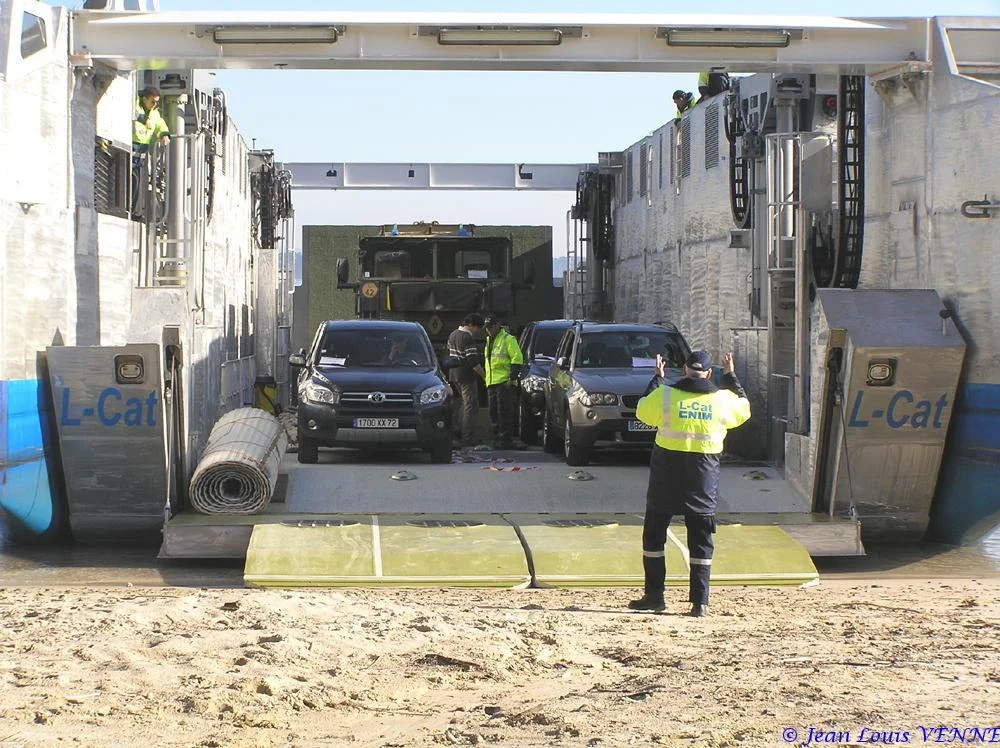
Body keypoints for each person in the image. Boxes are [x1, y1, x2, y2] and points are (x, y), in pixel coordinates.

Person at [629, 350, 751, 617]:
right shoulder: (722, 400)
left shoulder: (665, 396)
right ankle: (700, 602)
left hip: (666, 476)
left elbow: (642, 410)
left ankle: (654, 596)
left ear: (684, 370)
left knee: (654, 536)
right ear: (709, 373)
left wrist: (657, 379)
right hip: (703, 477)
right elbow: (744, 408)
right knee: (701, 539)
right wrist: (730, 376)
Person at [483, 316, 525, 450]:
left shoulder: (508, 339)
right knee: (493, 412)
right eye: (487, 328)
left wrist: (511, 378)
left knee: (504, 412)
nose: (488, 330)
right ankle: (497, 439)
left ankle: (505, 440)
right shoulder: (489, 340)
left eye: (490, 327)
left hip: (503, 382)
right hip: (491, 382)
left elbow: (517, 358)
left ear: (497, 326)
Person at [446, 313, 486, 448]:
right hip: (466, 375)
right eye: (477, 328)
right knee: (471, 406)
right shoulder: (467, 337)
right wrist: (484, 376)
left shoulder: (453, 334)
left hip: (454, 374)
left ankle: (457, 431)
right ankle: (468, 437)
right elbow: (473, 361)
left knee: (462, 403)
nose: (477, 332)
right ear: (470, 325)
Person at [131, 86, 170, 215]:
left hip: (142, 150)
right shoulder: (134, 103)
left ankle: (134, 210)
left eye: (157, 102)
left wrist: (164, 134)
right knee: (131, 180)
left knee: (139, 182)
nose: (155, 104)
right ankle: (129, 209)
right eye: (153, 101)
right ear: (144, 99)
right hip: (130, 146)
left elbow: (160, 124)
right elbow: (131, 112)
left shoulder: (154, 112)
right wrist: (143, 119)